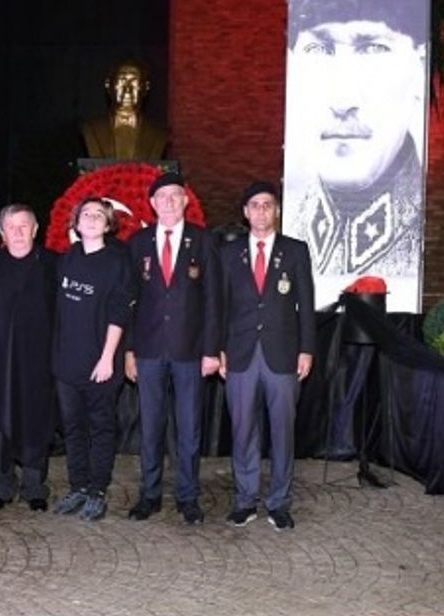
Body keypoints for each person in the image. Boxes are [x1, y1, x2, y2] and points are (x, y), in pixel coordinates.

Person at [281, 0, 429, 313]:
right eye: (321, 48)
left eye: (373, 48)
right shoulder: (288, 234)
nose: (343, 100)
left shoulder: (434, 239)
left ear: (419, 67)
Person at [123, 173, 220, 525]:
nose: (168, 202)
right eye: (161, 196)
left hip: (190, 351)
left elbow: (213, 300)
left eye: (175, 195)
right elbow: (129, 300)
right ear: (152, 203)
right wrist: (129, 350)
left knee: (189, 429)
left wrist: (212, 350)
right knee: (150, 427)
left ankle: (188, 497)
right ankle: (149, 496)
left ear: (185, 201)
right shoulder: (138, 242)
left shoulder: (203, 240)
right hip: (148, 350)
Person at [218, 182, 316, 532]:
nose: (261, 211)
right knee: (243, 430)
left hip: (283, 354)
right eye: (254, 205)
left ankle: (279, 502)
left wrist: (307, 349)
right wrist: (218, 349)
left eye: (267, 205)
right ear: (245, 213)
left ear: (277, 211)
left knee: (282, 431)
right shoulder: (228, 254)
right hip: (240, 354)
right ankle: (245, 500)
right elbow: (220, 306)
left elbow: (306, 304)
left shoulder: (295, 251)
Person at [52, 197, 133, 522]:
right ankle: (78, 487)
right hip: (66, 362)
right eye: (86, 213)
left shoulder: (117, 262)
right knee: (72, 428)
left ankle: (98, 490)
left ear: (108, 223)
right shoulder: (67, 258)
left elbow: (119, 312)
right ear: (76, 221)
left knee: (100, 428)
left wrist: (107, 358)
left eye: (99, 214)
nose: (91, 218)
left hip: (100, 362)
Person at [0, 204, 58, 513]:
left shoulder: (53, 265)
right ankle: (1, 485)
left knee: (37, 421)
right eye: (12, 227)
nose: (19, 232)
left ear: (35, 230)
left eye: (25, 226)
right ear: (1, 233)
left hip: (39, 362)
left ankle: (34, 486)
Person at [80, 61, 171, 161]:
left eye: (134, 82)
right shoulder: (91, 129)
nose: (127, 90)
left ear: (145, 87)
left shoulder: (158, 133)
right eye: (121, 81)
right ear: (108, 85)